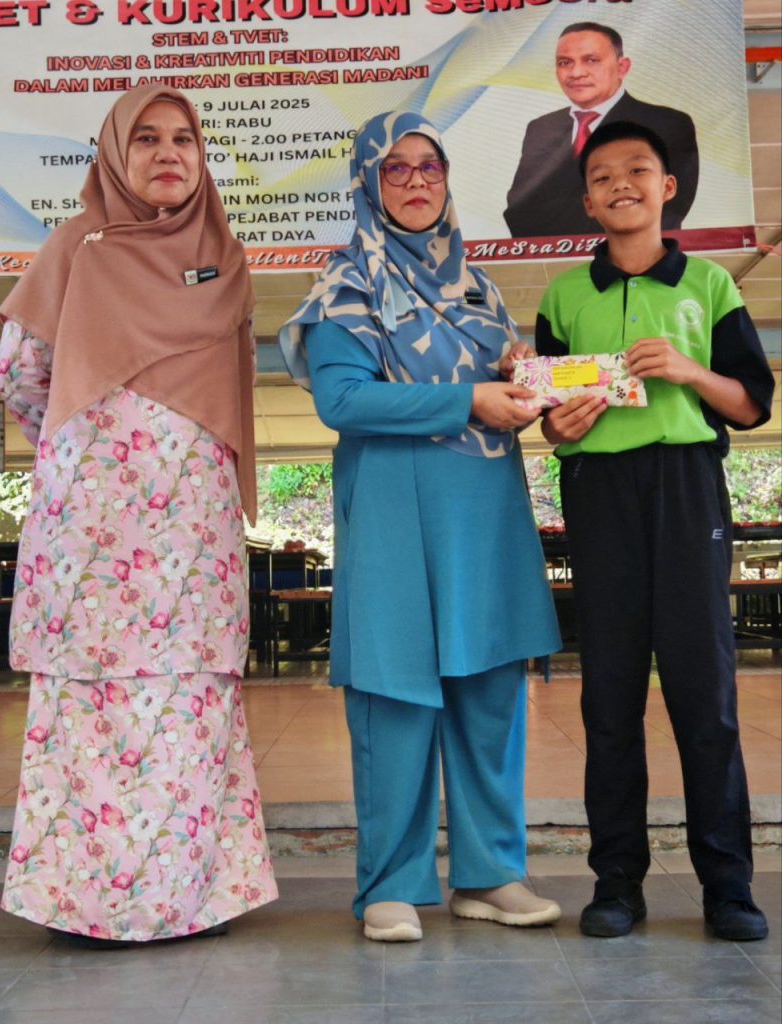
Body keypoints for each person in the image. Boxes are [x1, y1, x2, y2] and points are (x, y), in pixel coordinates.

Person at [0, 84, 277, 946]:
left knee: (190, 707)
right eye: (146, 138)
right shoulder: (75, 247)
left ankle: (191, 901)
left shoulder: (226, 259)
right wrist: (96, 455)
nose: (167, 153)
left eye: (183, 139)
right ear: (116, 153)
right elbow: (20, 375)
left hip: (195, 533)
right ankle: (84, 909)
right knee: (90, 711)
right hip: (91, 534)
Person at [279, 111, 562, 943]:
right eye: (394, 168)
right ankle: (391, 884)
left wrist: (522, 375)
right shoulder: (346, 288)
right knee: (396, 696)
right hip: (395, 513)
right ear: (367, 183)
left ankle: (491, 873)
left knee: (489, 691)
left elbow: (504, 382)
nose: (414, 181)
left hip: (484, 509)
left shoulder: (479, 287)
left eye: (428, 166)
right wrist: (467, 399)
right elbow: (343, 401)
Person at [523, 119, 774, 941]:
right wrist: (561, 425)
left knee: (705, 693)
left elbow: (752, 403)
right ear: (587, 202)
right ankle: (617, 882)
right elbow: (549, 417)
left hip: (686, 487)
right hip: (598, 490)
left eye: (638, 170)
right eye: (602, 176)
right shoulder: (564, 296)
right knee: (610, 695)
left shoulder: (709, 283)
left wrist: (692, 371)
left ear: (667, 189)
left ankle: (728, 886)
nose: (620, 184)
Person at [503, 22, 698, 238]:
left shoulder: (667, 123)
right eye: (565, 62)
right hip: (551, 254)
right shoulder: (541, 128)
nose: (576, 72)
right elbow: (520, 208)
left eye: (591, 60)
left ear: (622, 67)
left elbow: (670, 207)